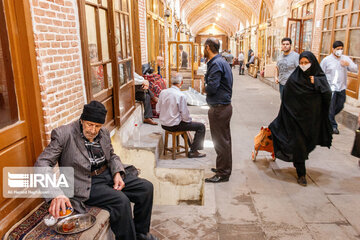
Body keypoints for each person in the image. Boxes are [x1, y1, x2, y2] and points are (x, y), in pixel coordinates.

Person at [35, 101, 158, 240]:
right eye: (89, 125)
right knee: (121, 201)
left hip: (106, 174)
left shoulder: (104, 132)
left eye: (97, 126)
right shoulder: (64, 134)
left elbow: (111, 155)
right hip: (85, 182)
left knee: (146, 188)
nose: (93, 130)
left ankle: (140, 234)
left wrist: (117, 172)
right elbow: (42, 163)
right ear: (81, 120)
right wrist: (55, 194)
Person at [269, 51, 333, 186]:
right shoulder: (294, 79)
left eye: (306, 63)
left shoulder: (319, 77)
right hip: (295, 120)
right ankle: (301, 173)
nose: (304, 66)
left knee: (308, 145)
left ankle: (300, 161)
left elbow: (327, 94)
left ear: (313, 63)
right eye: (301, 63)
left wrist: (317, 82)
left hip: (311, 120)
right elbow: (286, 98)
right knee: (299, 146)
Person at [203, 38, 233, 183]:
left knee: (221, 141)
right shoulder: (222, 61)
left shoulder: (215, 64)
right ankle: (223, 168)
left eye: (204, 47)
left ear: (207, 47)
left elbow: (212, 88)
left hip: (219, 108)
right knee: (224, 140)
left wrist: (205, 87)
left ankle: (223, 173)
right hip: (223, 107)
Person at [156, 74, 206, 158]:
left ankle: (192, 148)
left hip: (164, 125)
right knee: (201, 126)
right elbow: (185, 115)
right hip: (174, 126)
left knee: (184, 124)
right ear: (181, 83)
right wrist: (188, 120)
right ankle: (194, 151)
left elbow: (158, 109)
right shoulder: (181, 95)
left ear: (171, 82)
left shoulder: (163, 92)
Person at [320, 41, 358, 134]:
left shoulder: (345, 59)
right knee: (331, 108)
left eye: (341, 49)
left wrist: (348, 65)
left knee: (340, 106)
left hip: (341, 87)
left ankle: (325, 118)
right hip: (330, 88)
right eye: (338, 49)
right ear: (333, 49)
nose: (339, 51)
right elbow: (320, 73)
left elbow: (355, 69)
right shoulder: (326, 60)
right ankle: (333, 126)